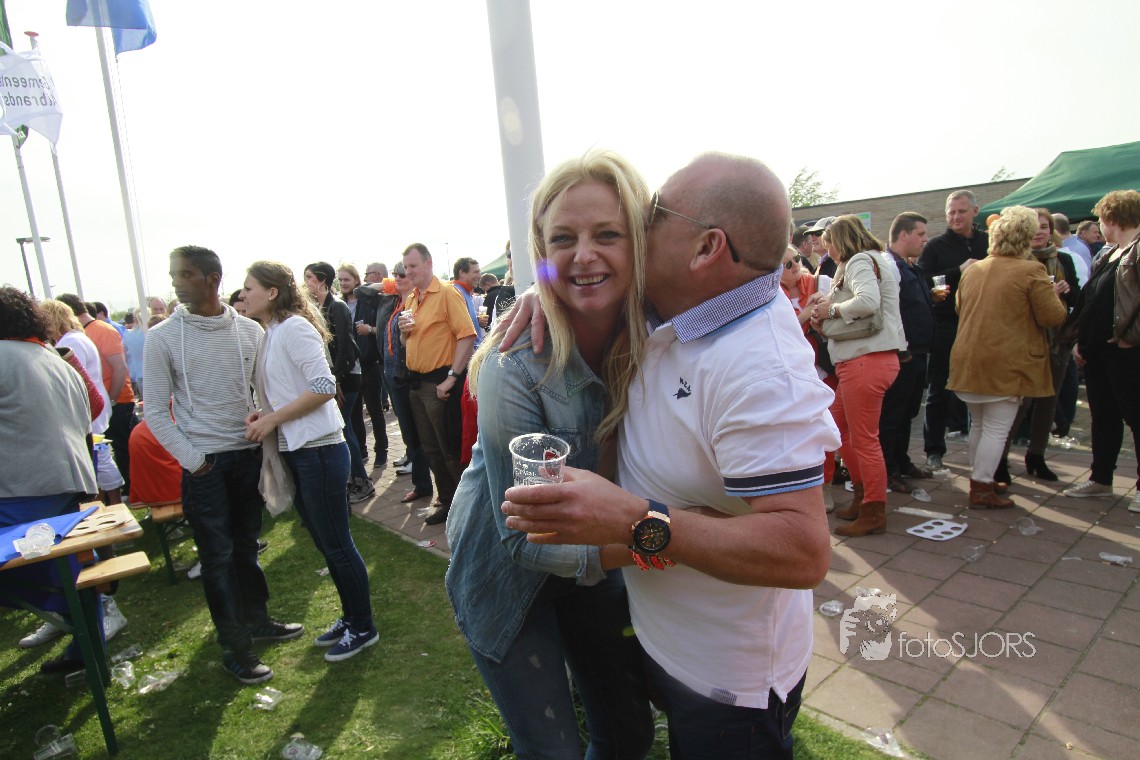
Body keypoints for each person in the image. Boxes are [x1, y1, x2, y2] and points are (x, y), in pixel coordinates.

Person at [501, 153, 838, 759]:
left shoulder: (761, 367)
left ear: (706, 248)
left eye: (655, 213)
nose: (641, 220)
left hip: (729, 683)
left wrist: (635, 522)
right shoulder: (679, 308)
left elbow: (803, 551)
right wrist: (544, 286)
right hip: (673, 643)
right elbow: (584, 271)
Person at [446, 150, 654, 759]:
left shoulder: (661, 335)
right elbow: (527, 541)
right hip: (506, 576)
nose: (583, 254)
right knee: (552, 752)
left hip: (599, 563)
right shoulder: (514, 367)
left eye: (607, 234)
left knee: (629, 736)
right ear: (541, 253)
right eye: (563, 239)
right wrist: (669, 540)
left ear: (639, 242)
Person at [145, 245, 303, 684]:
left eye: (185, 274)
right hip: (205, 465)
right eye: (174, 274)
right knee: (217, 558)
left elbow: (264, 393)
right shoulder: (163, 337)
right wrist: (195, 462)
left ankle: (258, 620)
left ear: (212, 279)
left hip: (245, 456)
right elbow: (154, 410)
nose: (175, 282)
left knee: (247, 546)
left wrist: (263, 433)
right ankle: (235, 648)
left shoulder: (249, 331)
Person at [242, 261, 379, 662]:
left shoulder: (294, 328)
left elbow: (323, 386)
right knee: (325, 541)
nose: (243, 295)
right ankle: (351, 617)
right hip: (301, 450)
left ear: (271, 292)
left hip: (318, 449)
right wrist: (265, 413)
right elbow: (290, 389)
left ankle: (363, 626)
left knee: (337, 544)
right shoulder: (273, 332)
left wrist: (272, 419)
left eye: (249, 288)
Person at [0, 287, 106, 673]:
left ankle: (84, 645)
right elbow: (93, 407)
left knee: (53, 572)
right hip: (68, 483)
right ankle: (86, 651)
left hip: (22, 491)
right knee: (70, 569)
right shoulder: (53, 357)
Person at [947, 207, 1068, 508]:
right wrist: (1054, 294)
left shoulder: (974, 269)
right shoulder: (1031, 270)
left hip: (968, 357)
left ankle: (981, 479)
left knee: (979, 424)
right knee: (996, 429)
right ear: (1025, 237)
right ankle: (982, 486)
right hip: (1005, 361)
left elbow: (960, 308)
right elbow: (1052, 316)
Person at [811, 216, 906, 536]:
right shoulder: (869, 260)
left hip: (865, 360)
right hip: (867, 360)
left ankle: (873, 508)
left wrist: (831, 310)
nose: (829, 252)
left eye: (830, 244)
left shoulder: (859, 261)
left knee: (863, 438)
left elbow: (867, 301)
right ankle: (864, 497)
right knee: (840, 428)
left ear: (841, 241)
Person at [1064, 190, 1140, 512]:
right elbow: (1092, 300)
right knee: (1103, 417)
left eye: (1100, 219)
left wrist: (1128, 339)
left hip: (1127, 352)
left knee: (1136, 417)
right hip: (1098, 353)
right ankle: (1101, 479)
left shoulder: (1136, 251)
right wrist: (1080, 340)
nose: (1098, 225)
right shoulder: (1109, 254)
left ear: (1113, 218)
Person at [398, 244, 477, 525]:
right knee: (431, 448)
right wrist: (403, 333)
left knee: (450, 449)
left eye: (413, 266)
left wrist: (452, 378)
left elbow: (467, 336)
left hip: (440, 384)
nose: (408, 271)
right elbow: (407, 342)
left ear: (428, 263)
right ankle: (447, 501)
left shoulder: (446, 293)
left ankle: (468, 508)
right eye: (405, 267)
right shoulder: (412, 298)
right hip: (417, 384)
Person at [1004, 209, 1079, 482]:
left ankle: (1036, 455)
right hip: (1025, 342)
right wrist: (1048, 295)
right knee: (1020, 402)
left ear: (1051, 231)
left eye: (1044, 227)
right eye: (1034, 227)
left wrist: (1067, 292)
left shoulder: (1064, 260)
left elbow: (1078, 299)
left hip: (1057, 342)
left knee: (1049, 401)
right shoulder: (1016, 261)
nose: (1039, 232)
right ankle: (999, 457)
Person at [917, 191, 988, 470]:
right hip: (946, 323)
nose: (956, 217)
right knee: (940, 388)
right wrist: (959, 269)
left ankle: (988, 453)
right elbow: (923, 279)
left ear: (974, 212)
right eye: (951, 212)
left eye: (961, 211)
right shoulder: (936, 246)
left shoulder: (987, 242)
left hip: (983, 323)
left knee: (984, 388)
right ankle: (934, 450)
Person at [304, 262, 375, 504]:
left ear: (322, 280)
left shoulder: (337, 307)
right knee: (346, 428)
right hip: (335, 379)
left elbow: (344, 348)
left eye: (309, 277)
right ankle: (355, 478)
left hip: (346, 378)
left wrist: (336, 381)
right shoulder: (317, 308)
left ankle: (362, 481)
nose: (306, 282)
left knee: (344, 429)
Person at [878, 213, 939, 494]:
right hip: (903, 353)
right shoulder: (889, 266)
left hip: (919, 351)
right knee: (893, 414)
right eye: (920, 234)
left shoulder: (909, 265)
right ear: (904, 234)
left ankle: (901, 461)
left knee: (908, 413)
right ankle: (888, 469)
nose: (925, 239)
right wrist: (901, 350)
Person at [58, 293, 136, 494]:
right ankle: (123, 492)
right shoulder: (84, 333)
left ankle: (130, 491)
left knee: (119, 450)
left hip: (116, 400)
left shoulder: (101, 330)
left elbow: (120, 367)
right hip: (105, 402)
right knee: (107, 452)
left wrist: (111, 399)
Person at [383, 263, 433, 501]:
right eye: (395, 275)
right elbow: (364, 290)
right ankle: (422, 484)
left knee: (418, 434)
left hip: (409, 376)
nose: (398, 278)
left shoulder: (417, 302)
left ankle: (426, 485)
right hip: (392, 376)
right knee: (409, 434)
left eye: (402, 274)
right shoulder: (394, 302)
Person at [349, 263, 390, 464]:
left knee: (374, 408)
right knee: (355, 412)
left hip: (371, 361)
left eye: (346, 279)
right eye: (340, 279)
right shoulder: (340, 303)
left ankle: (381, 450)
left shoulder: (376, 299)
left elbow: (385, 328)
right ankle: (362, 451)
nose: (342, 283)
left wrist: (370, 329)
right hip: (351, 365)